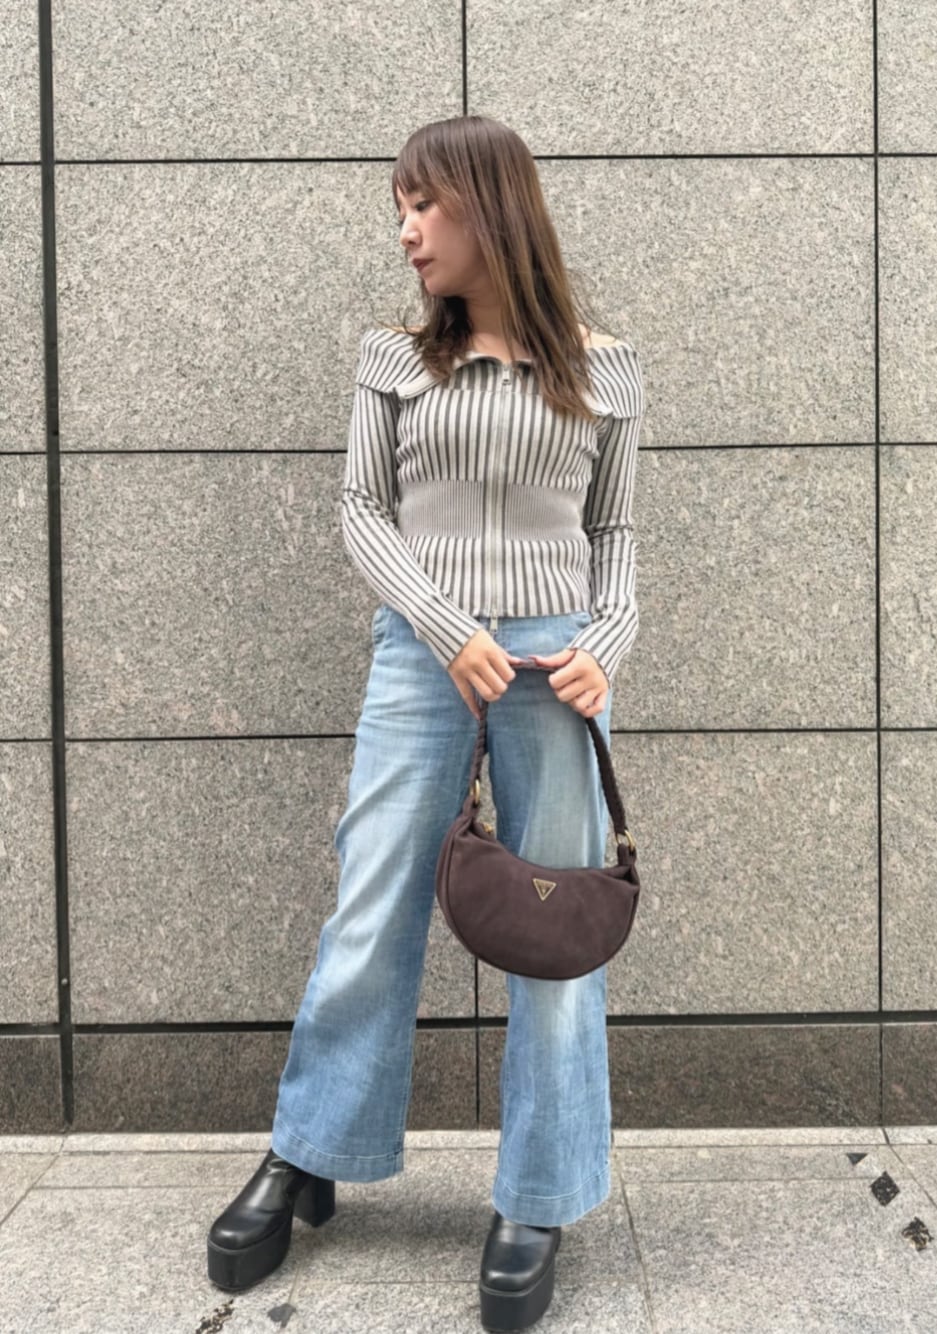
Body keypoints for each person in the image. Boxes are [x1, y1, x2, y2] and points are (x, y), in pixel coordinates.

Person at [206, 113, 645, 1332]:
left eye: (422, 204)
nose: (404, 231)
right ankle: (308, 1150)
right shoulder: (394, 360)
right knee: (372, 902)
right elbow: (363, 509)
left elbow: (615, 529)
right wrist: (447, 626)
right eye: (397, 208)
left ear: (489, 206)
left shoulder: (605, 367)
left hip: (556, 662)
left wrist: (605, 640)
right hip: (421, 657)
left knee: (554, 925)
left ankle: (539, 1192)